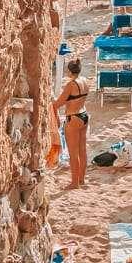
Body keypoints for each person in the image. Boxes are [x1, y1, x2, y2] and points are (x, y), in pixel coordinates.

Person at [51, 59, 90, 189]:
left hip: (73, 118)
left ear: (69, 70)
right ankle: (81, 179)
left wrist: (51, 100)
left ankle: (74, 183)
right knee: (82, 150)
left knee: (73, 153)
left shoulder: (71, 85)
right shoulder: (84, 81)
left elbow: (57, 104)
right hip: (84, 115)